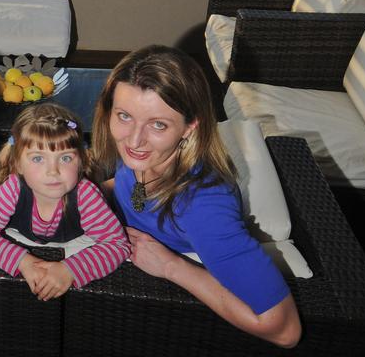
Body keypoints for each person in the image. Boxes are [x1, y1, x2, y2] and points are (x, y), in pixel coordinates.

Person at [90, 46, 302, 349]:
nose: (133, 140)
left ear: (190, 128)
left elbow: (285, 330)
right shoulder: (147, 155)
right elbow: (128, 184)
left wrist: (171, 267)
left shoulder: (203, 208)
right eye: (124, 116)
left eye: (158, 124)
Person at [0, 103, 130, 300]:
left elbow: (117, 244)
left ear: (81, 160)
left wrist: (71, 269)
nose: (53, 171)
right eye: (38, 159)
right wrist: (23, 261)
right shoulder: (13, 187)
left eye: (65, 158)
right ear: (17, 164)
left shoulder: (86, 195)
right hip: (0, 198)